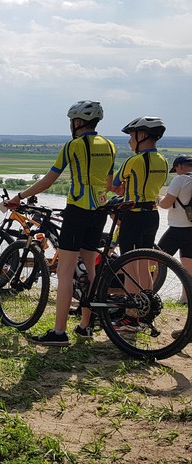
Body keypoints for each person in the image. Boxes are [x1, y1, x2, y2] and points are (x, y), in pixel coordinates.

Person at [7, 100, 116, 346]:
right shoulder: (109, 146)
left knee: (65, 271)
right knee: (90, 267)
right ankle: (86, 326)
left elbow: (49, 180)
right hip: (99, 208)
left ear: (77, 122)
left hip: (77, 209)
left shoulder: (73, 146)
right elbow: (109, 184)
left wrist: (20, 196)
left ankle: (59, 332)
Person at [107, 117, 169, 331]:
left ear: (141, 136)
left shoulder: (133, 161)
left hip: (133, 215)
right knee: (144, 264)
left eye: (131, 137)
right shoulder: (163, 160)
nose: (129, 142)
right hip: (152, 215)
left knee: (130, 265)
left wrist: (123, 188)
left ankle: (130, 318)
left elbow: (115, 187)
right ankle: (146, 313)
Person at [157, 154, 192, 303]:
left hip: (177, 229)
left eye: (176, 169)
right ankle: (186, 298)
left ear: (180, 166)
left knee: (155, 259)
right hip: (191, 229)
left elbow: (166, 204)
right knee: (188, 266)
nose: (176, 172)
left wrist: (158, 199)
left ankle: (148, 291)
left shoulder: (180, 179)